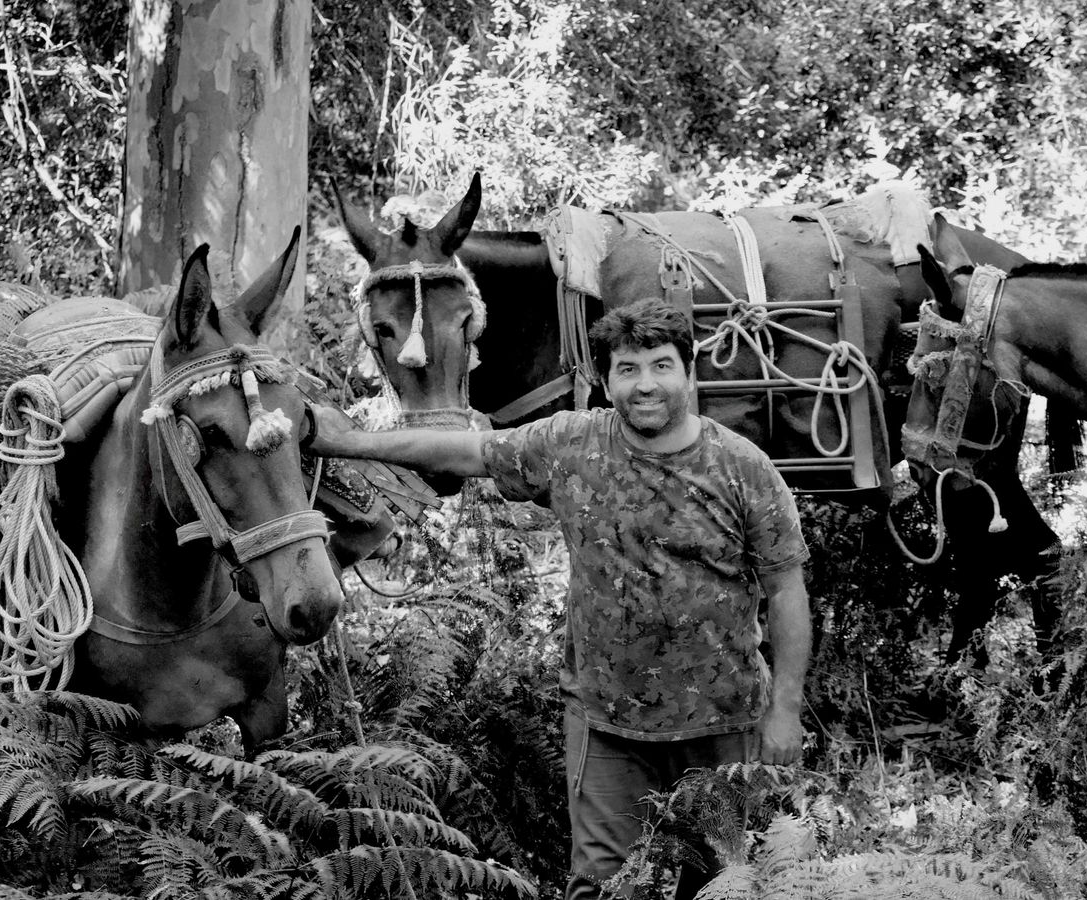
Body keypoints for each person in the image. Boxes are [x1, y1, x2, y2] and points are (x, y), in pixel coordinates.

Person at [310, 298, 811, 899]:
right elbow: (466, 451)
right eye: (628, 369)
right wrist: (350, 442)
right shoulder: (572, 444)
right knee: (601, 886)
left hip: (723, 723)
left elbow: (786, 590)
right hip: (606, 724)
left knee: (725, 884)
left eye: (661, 365)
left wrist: (785, 709)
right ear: (605, 378)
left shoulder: (742, 468)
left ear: (688, 371)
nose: (645, 384)